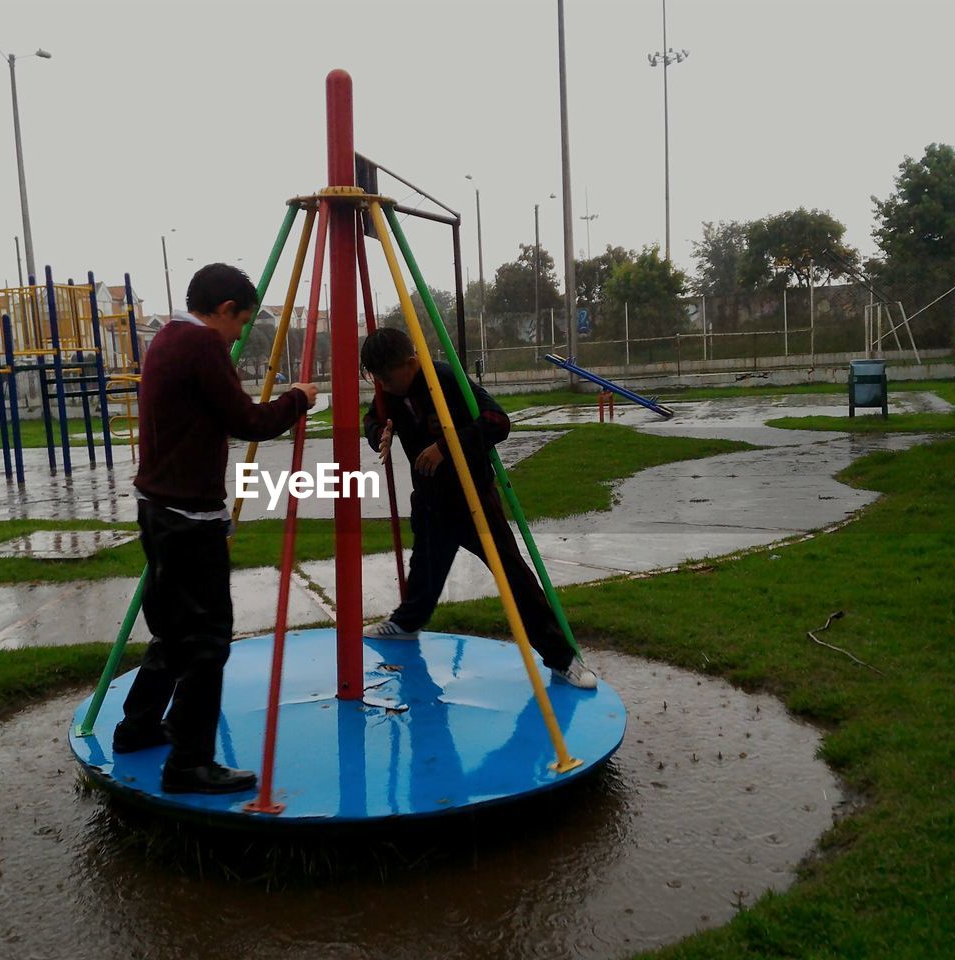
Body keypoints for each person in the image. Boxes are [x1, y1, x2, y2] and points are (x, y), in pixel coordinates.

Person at [113, 263, 319, 794]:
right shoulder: (203, 345)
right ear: (224, 310)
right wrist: (299, 398)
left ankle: (136, 729)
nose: (237, 336)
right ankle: (189, 763)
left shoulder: (166, 337)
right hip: (189, 517)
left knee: (174, 631)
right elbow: (249, 422)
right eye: (240, 324)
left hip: (157, 507)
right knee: (206, 640)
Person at [359, 327, 596, 689]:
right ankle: (406, 623)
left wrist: (445, 446)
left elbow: (498, 421)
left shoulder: (446, 379)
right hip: (429, 499)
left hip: (472, 498)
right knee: (424, 567)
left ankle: (562, 658)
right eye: (376, 379)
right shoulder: (389, 391)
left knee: (513, 576)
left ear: (411, 363)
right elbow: (373, 418)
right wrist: (380, 434)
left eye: (387, 377)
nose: (384, 386)